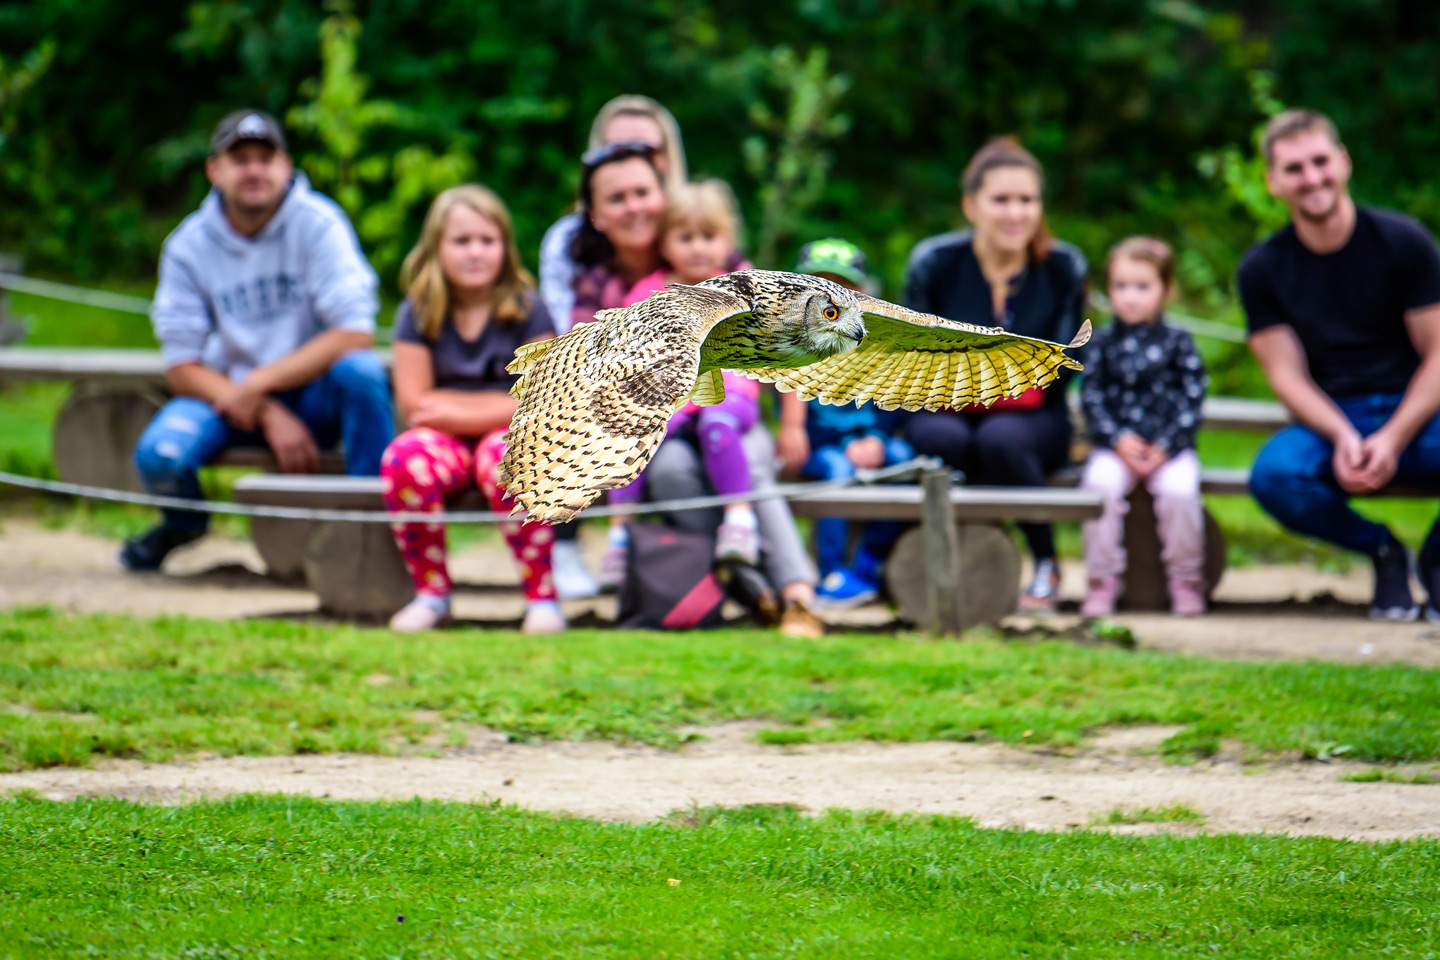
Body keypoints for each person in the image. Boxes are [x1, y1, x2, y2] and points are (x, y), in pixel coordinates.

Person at [122, 109, 392, 572]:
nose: (253, 170)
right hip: (227, 397)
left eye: (265, 158)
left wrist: (261, 383)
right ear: (215, 169)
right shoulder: (187, 245)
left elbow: (354, 333)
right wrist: (263, 406)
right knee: (160, 456)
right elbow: (182, 365)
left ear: (286, 166)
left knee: (363, 373)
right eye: (239, 158)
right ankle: (184, 523)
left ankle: (374, 528)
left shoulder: (320, 223)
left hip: (313, 395)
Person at [1240, 109, 1440, 621]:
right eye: (1294, 169)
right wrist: (1344, 436)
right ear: (1273, 181)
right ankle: (1381, 550)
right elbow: (1286, 374)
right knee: (1275, 475)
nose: (1311, 178)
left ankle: (1437, 562)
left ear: (1343, 162)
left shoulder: (1405, 242)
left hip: (1416, 412)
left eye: (1320, 161)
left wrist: (1393, 437)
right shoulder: (1262, 269)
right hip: (1331, 420)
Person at [900, 136, 1087, 612]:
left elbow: (1061, 363)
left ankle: (1044, 559)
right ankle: (944, 559)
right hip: (947, 407)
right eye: (1001, 199)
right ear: (971, 205)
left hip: (1034, 416)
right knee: (940, 435)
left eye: (1027, 199)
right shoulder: (935, 262)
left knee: (1002, 438)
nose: (1015, 213)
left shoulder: (1063, 266)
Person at [379, 185, 564, 634]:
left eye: (487, 240)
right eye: (461, 241)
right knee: (404, 459)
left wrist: (451, 408)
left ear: (505, 247)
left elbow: (541, 403)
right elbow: (416, 406)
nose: (475, 252)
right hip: (441, 445)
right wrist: (502, 405)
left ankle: (542, 597)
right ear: (436, 248)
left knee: (509, 456)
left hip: (502, 439)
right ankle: (432, 594)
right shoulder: (417, 312)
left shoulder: (529, 310)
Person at [602, 180, 761, 581]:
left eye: (708, 236)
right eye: (685, 237)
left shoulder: (739, 290)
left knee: (717, 424)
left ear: (727, 240)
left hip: (728, 394)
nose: (697, 247)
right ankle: (620, 534)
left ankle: (739, 521)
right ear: (666, 242)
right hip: (671, 397)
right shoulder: (647, 292)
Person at [1080, 237, 1208, 617]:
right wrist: (1118, 441)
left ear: (1166, 290)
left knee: (1181, 493)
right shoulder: (1101, 343)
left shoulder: (1179, 343)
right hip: (1115, 448)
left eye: (1142, 287)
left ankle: (1186, 578)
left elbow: (1193, 399)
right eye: (1121, 286)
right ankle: (1102, 580)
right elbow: (1091, 397)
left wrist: (1167, 446)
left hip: (1170, 450)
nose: (1130, 297)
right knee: (1099, 487)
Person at [786, 238, 914, 608]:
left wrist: (876, 437)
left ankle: (869, 564)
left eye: (840, 288)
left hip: (873, 442)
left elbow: (897, 402)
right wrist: (846, 445)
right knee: (837, 470)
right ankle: (831, 572)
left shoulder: (880, 343)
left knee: (903, 459)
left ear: (862, 293)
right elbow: (800, 423)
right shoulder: (793, 347)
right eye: (817, 287)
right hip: (826, 449)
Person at [538, 96, 687, 336]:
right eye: (613, 149)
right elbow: (569, 340)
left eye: (646, 150)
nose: (627, 157)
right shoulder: (569, 244)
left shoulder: (702, 233)